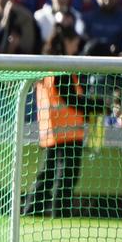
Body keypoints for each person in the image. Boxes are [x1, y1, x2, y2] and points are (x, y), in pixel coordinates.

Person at [23, 26, 94, 217]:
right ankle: (58, 214)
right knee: (65, 176)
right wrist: (96, 107)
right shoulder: (61, 70)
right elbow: (71, 99)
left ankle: (30, 211)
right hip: (67, 132)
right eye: (75, 43)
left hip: (53, 131)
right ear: (67, 42)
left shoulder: (48, 69)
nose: (77, 47)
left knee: (47, 175)